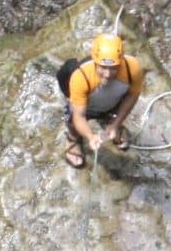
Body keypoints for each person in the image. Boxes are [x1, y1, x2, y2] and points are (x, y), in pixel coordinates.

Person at [57, 32, 144, 169]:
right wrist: (90, 136)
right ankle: (72, 138)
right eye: (103, 67)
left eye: (114, 68)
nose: (108, 74)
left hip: (113, 102)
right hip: (86, 106)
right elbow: (79, 116)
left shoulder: (132, 68)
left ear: (121, 60)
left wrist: (116, 123)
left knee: (114, 117)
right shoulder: (80, 77)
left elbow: (132, 96)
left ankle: (110, 121)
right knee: (73, 120)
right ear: (94, 60)